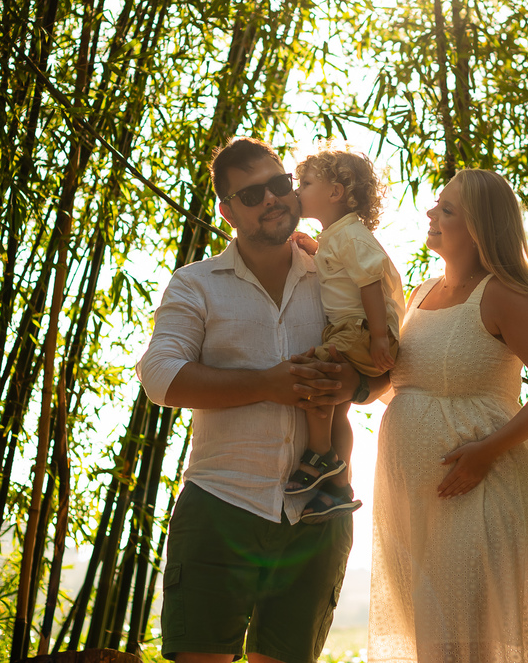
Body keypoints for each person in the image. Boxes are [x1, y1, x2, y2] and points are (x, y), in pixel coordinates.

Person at [134, 137, 363, 663]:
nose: (272, 200)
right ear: (227, 210)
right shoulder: (196, 284)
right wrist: (269, 383)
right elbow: (160, 376)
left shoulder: (334, 274)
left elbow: (389, 365)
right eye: (252, 194)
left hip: (320, 513)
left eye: (280, 185)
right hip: (221, 506)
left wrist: (352, 385)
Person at [365, 168, 528, 663]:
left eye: (446, 209)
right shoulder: (417, 295)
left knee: (465, 642)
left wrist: (487, 451)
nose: (430, 213)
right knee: (433, 641)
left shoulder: (504, 295)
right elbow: (400, 388)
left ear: (480, 228)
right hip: (412, 498)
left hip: (483, 485)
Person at [284, 148, 407, 523]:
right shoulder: (340, 236)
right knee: (338, 406)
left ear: (334, 192)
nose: (297, 190)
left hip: (360, 331)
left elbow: (369, 282)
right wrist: (316, 249)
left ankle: (321, 456)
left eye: (305, 184)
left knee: (316, 374)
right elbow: (343, 267)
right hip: (355, 330)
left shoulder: (351, 234)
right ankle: (337, 490)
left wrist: (380, 338)